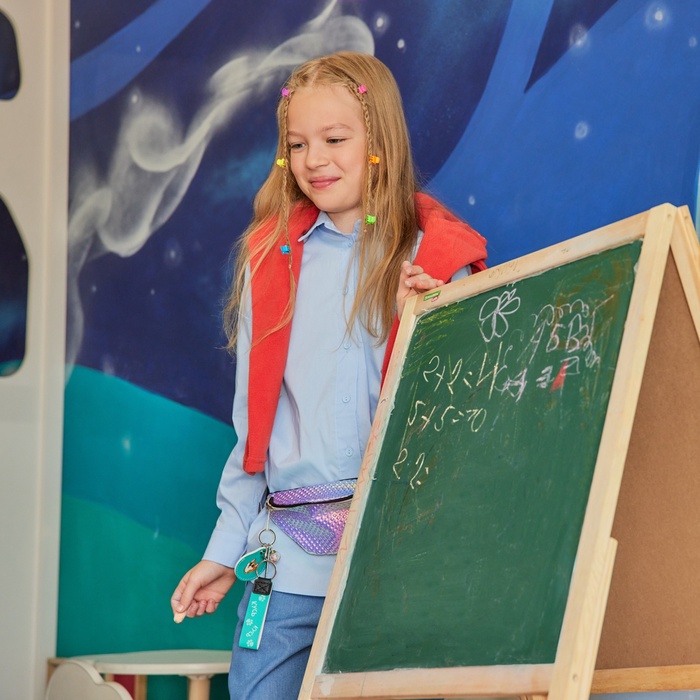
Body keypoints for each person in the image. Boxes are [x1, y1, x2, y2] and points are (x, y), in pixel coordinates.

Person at [170, 51, 487, 699]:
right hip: (287, 563)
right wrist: (224, 550)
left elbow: (461, 424)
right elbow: (254, 431)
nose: (314, 159)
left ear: (379, 139)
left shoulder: (432, 263)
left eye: (335, 139)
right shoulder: (270, 263)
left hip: (396, 562)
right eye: (297, 144)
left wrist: (428, 323)